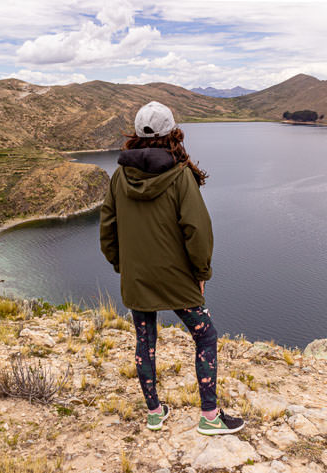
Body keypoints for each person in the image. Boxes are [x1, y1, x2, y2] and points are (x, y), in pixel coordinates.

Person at [99, 101, 245, 435]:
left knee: (144, 340)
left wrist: (121, 264)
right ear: (173, 134)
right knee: (205, 335)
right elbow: (197, 231)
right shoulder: (179, 175)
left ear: (135, 135)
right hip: (177, 278)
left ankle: (154, 412)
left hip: (137, 276)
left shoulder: (120, 175)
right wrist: (201, 273)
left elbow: (107, 226)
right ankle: (209, 416)